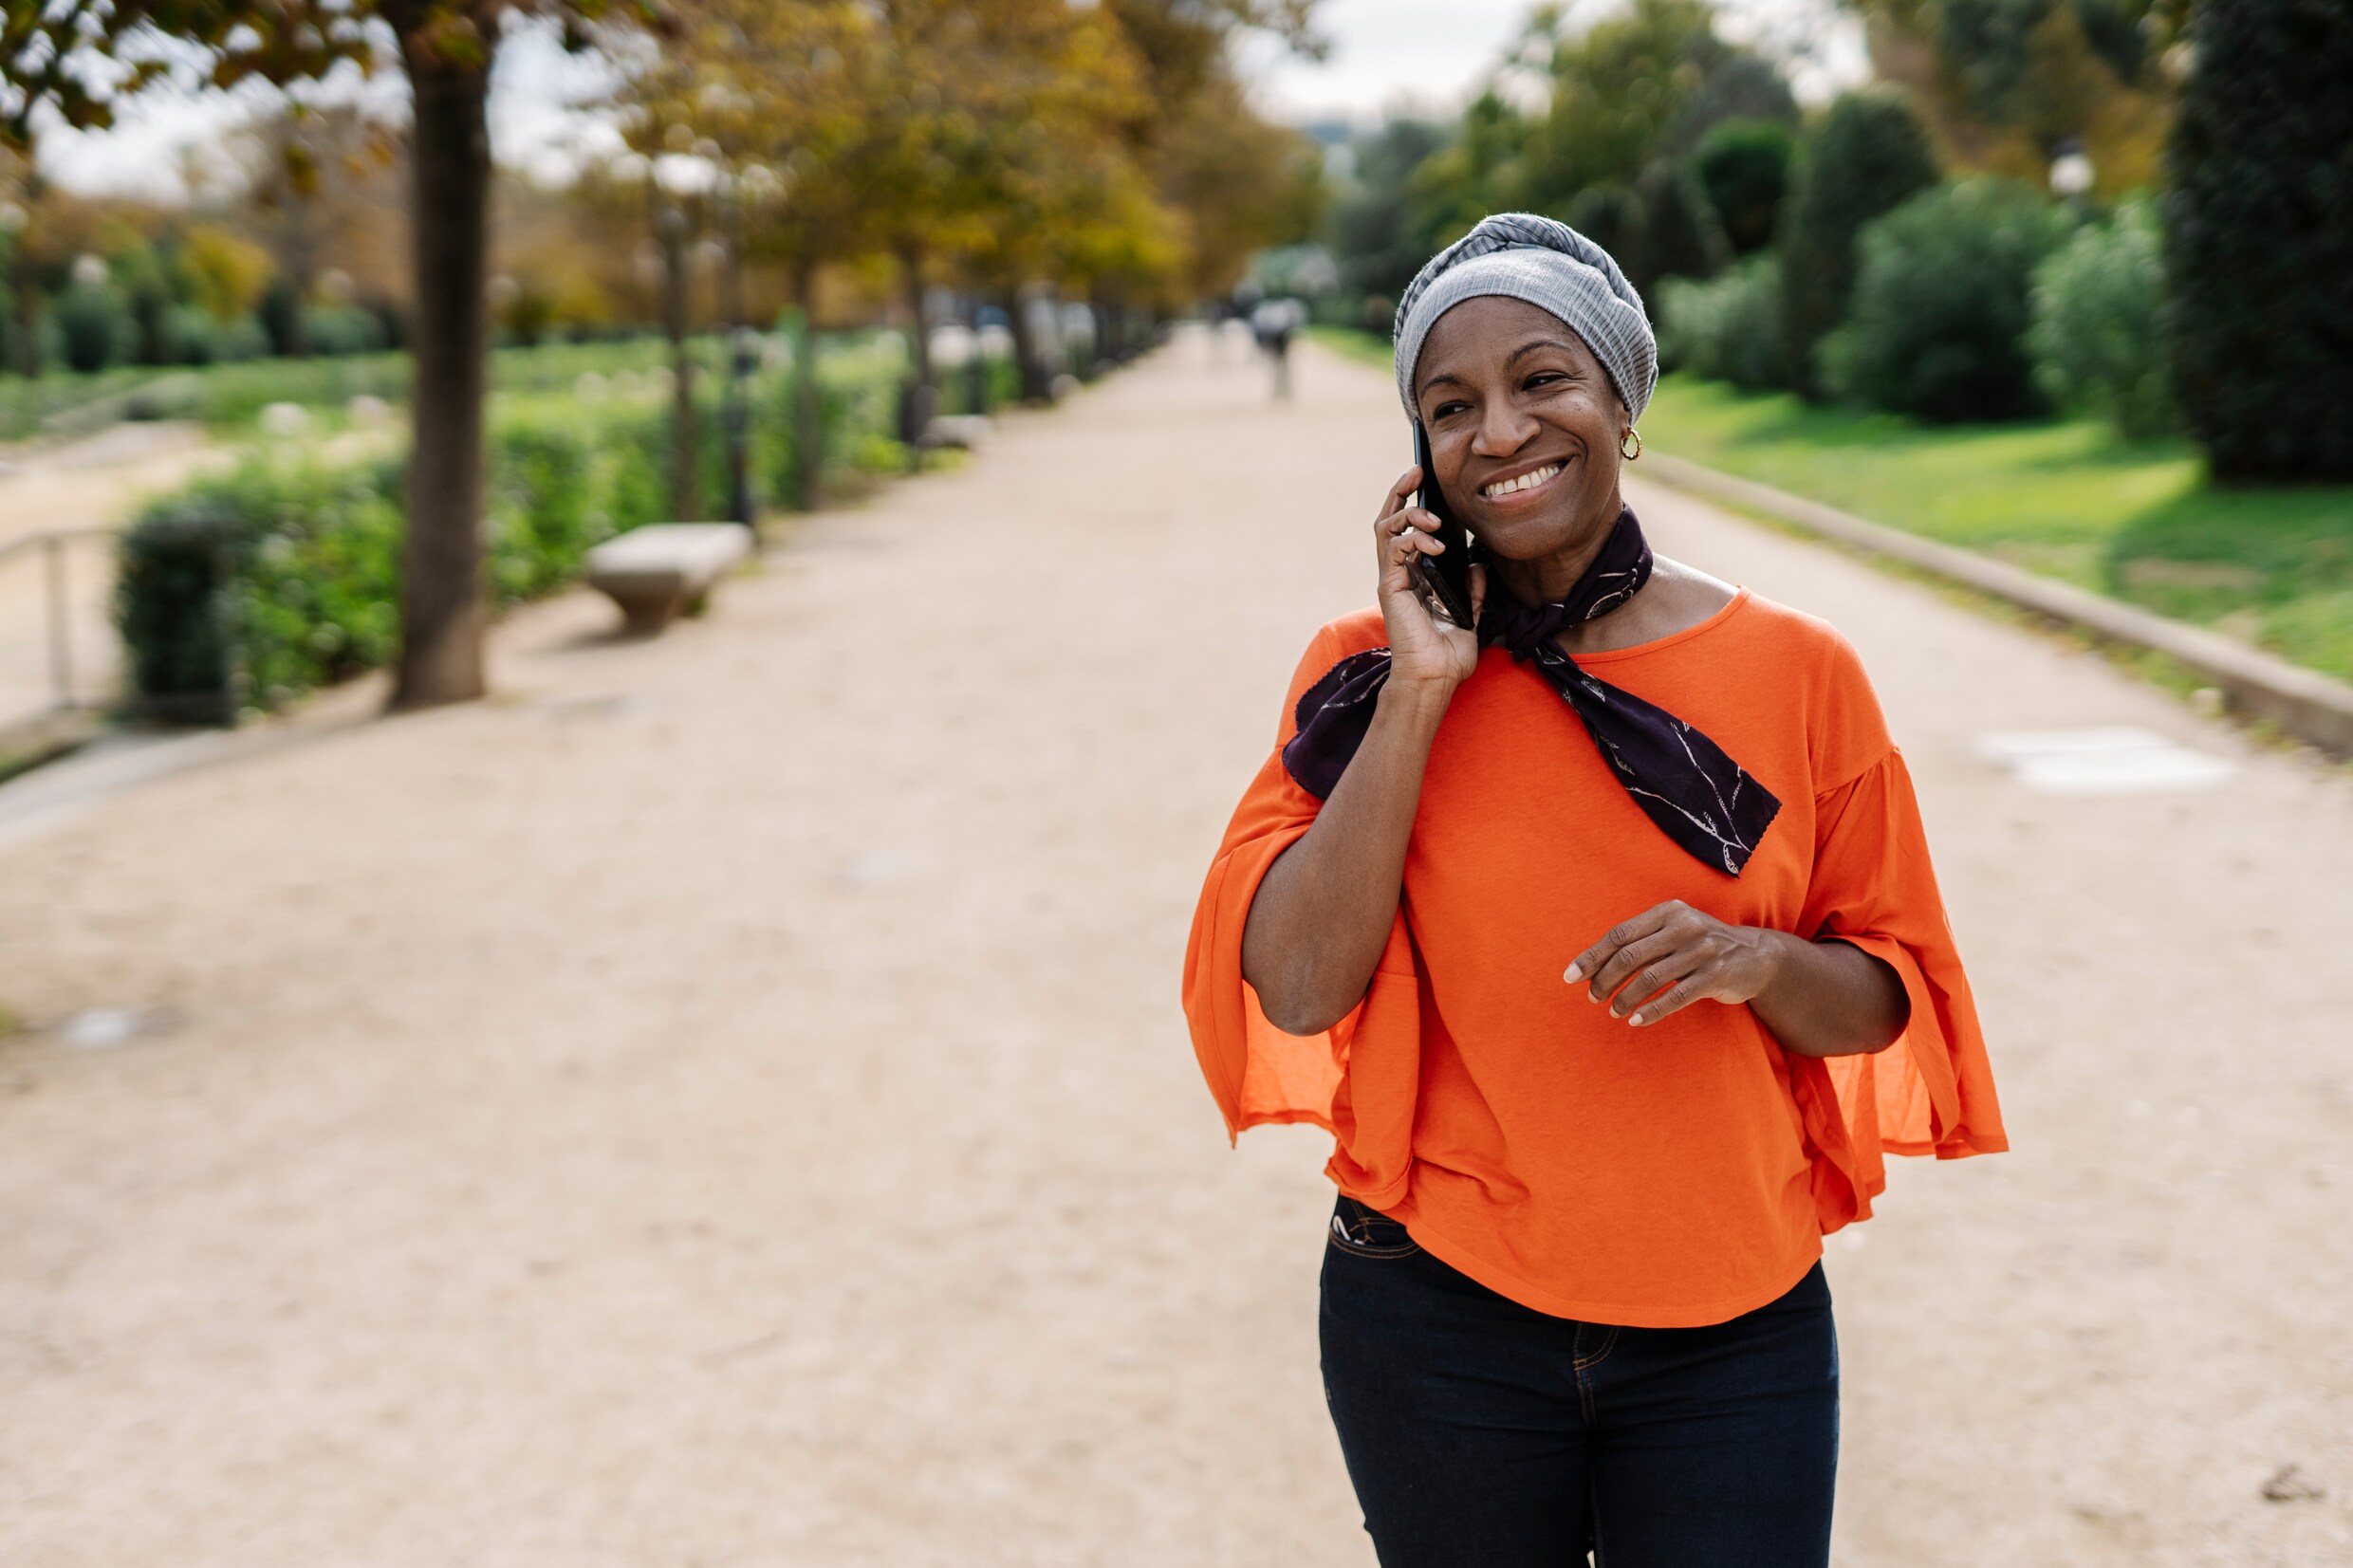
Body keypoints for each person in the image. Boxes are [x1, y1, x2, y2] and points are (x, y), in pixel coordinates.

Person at [1180, 213, 2007, 1568]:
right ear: (1421, 455)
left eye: (1542, 378)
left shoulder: (1802, 672)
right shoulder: (1361, 673)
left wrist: (1751, 958)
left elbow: (1880, 1004)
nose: (1498, 431)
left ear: (1623, 400)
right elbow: (1299, 980)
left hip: (1734, 1317)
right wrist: (1422, 691)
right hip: (1433, 1310)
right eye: (1451, 406)